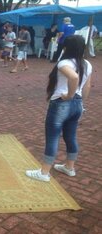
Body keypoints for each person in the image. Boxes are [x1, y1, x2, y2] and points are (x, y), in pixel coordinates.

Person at [26, 35, 93, 182]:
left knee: (53, 137)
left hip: (62, 103)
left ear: (66, 47)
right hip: (78, 104)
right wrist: (80, 102)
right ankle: (69, 167)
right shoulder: (87, 63)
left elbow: (74, 77)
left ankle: (44, 173)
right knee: (71, 136)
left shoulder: (64, 63)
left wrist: (69, 95)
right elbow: (87, 86)